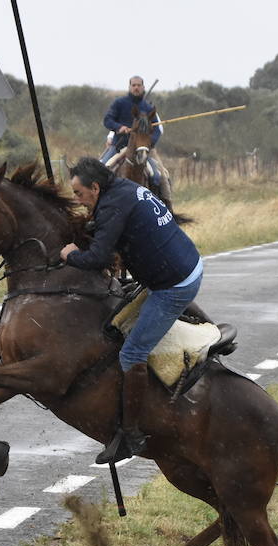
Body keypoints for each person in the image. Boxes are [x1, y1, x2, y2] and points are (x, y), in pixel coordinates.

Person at [59, 157, 203, 464]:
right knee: (117, 327)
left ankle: (132, 434)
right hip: (181, 264)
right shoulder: (122, 188)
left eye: (78, 193)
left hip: (173, 285)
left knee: (131, 354)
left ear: (96, 188)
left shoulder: (112, 206)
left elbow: (97, 257)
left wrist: (71, 255)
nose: (76, 199)